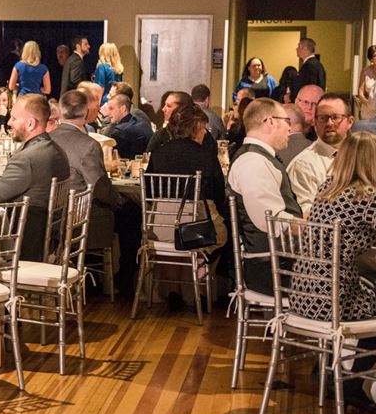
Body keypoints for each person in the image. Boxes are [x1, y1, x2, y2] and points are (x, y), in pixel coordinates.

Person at [293, 131, 376, 410]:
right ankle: (354, 384)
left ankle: (329, 372)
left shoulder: (327, 189)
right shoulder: (365, 196)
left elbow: (356, 231)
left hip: (304, 293)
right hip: (335, 300)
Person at [0, 94, 70, 262]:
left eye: (14, 118)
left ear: (30, 123)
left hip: (23, 246)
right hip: (49, 240)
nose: (9, 122)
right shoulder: (58, 150)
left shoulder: (27, 158)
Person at [226, 98, 303, 293]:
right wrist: (317, 228)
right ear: (270, 122)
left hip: (281, 262)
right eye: (287, 121)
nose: (290, 128)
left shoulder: (259, 159)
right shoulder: (253, 162)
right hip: (273, 269)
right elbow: (271, 221)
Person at [144, 104, 228, 251]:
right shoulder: (206, 156)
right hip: (196, 231)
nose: (205, 132)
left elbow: (149, 194)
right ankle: (201, 263)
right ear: (195, 128)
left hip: (159, 227)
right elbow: (218, 194)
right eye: (203, 128)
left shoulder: (158, 154)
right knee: (224, 232)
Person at [287, 92, 355, 213]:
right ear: (315, 122)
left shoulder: (360, 156)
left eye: (335, 117)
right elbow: (308, 212)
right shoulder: (304, 164)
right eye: (323, 118)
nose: (329, 123)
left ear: (350, 121)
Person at [101, 94, 151, 158]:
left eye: (111, 108)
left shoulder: (119, 132)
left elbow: (110, 158)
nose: (108, 113)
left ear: (123, 109)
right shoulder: (143, 123)